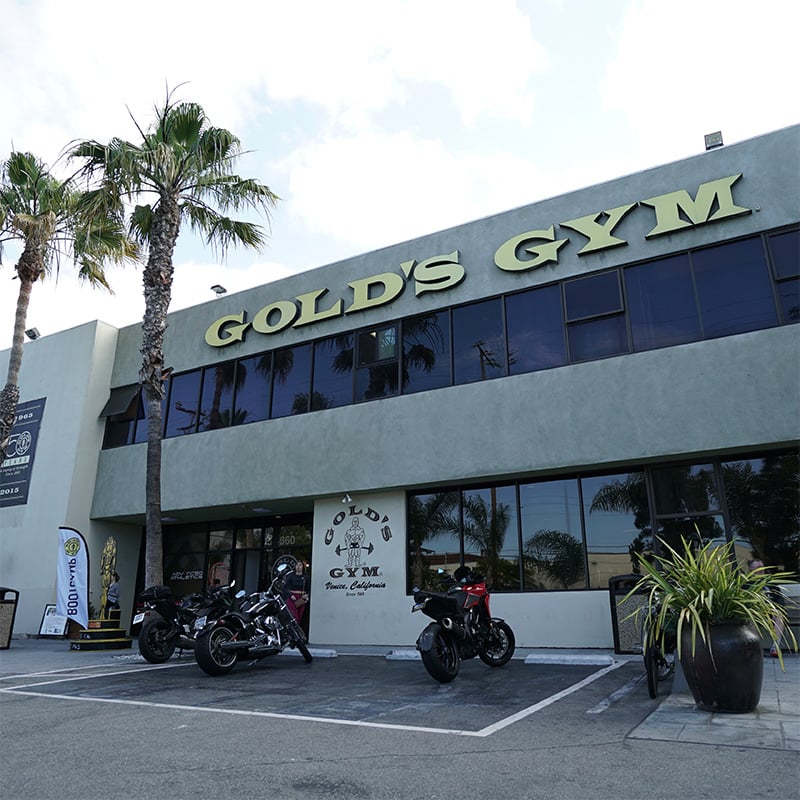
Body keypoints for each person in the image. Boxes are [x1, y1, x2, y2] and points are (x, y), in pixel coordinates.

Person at [747, 559, 785, 657]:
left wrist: (776, 609)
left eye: (762, 567)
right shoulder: (746, 584)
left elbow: (779, 598)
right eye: (758, 567)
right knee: (752, 618)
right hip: (755, 613)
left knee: (779, 615)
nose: (761, 570)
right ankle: (756, 649)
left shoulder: (771, 582)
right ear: (751, 569)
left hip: (771, 613)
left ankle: (775, 647)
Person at [282, 560, 309, 625]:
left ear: (303, 567)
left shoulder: (305, 578)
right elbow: (284, 588)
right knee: (294, 616)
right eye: (297, 565)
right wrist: (290, 595)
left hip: (301, 598)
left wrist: (307, 595)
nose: (298, 567)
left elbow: (309, 589)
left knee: (299, 617)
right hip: (292, 598)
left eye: (300, 565)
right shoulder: (291, 576)